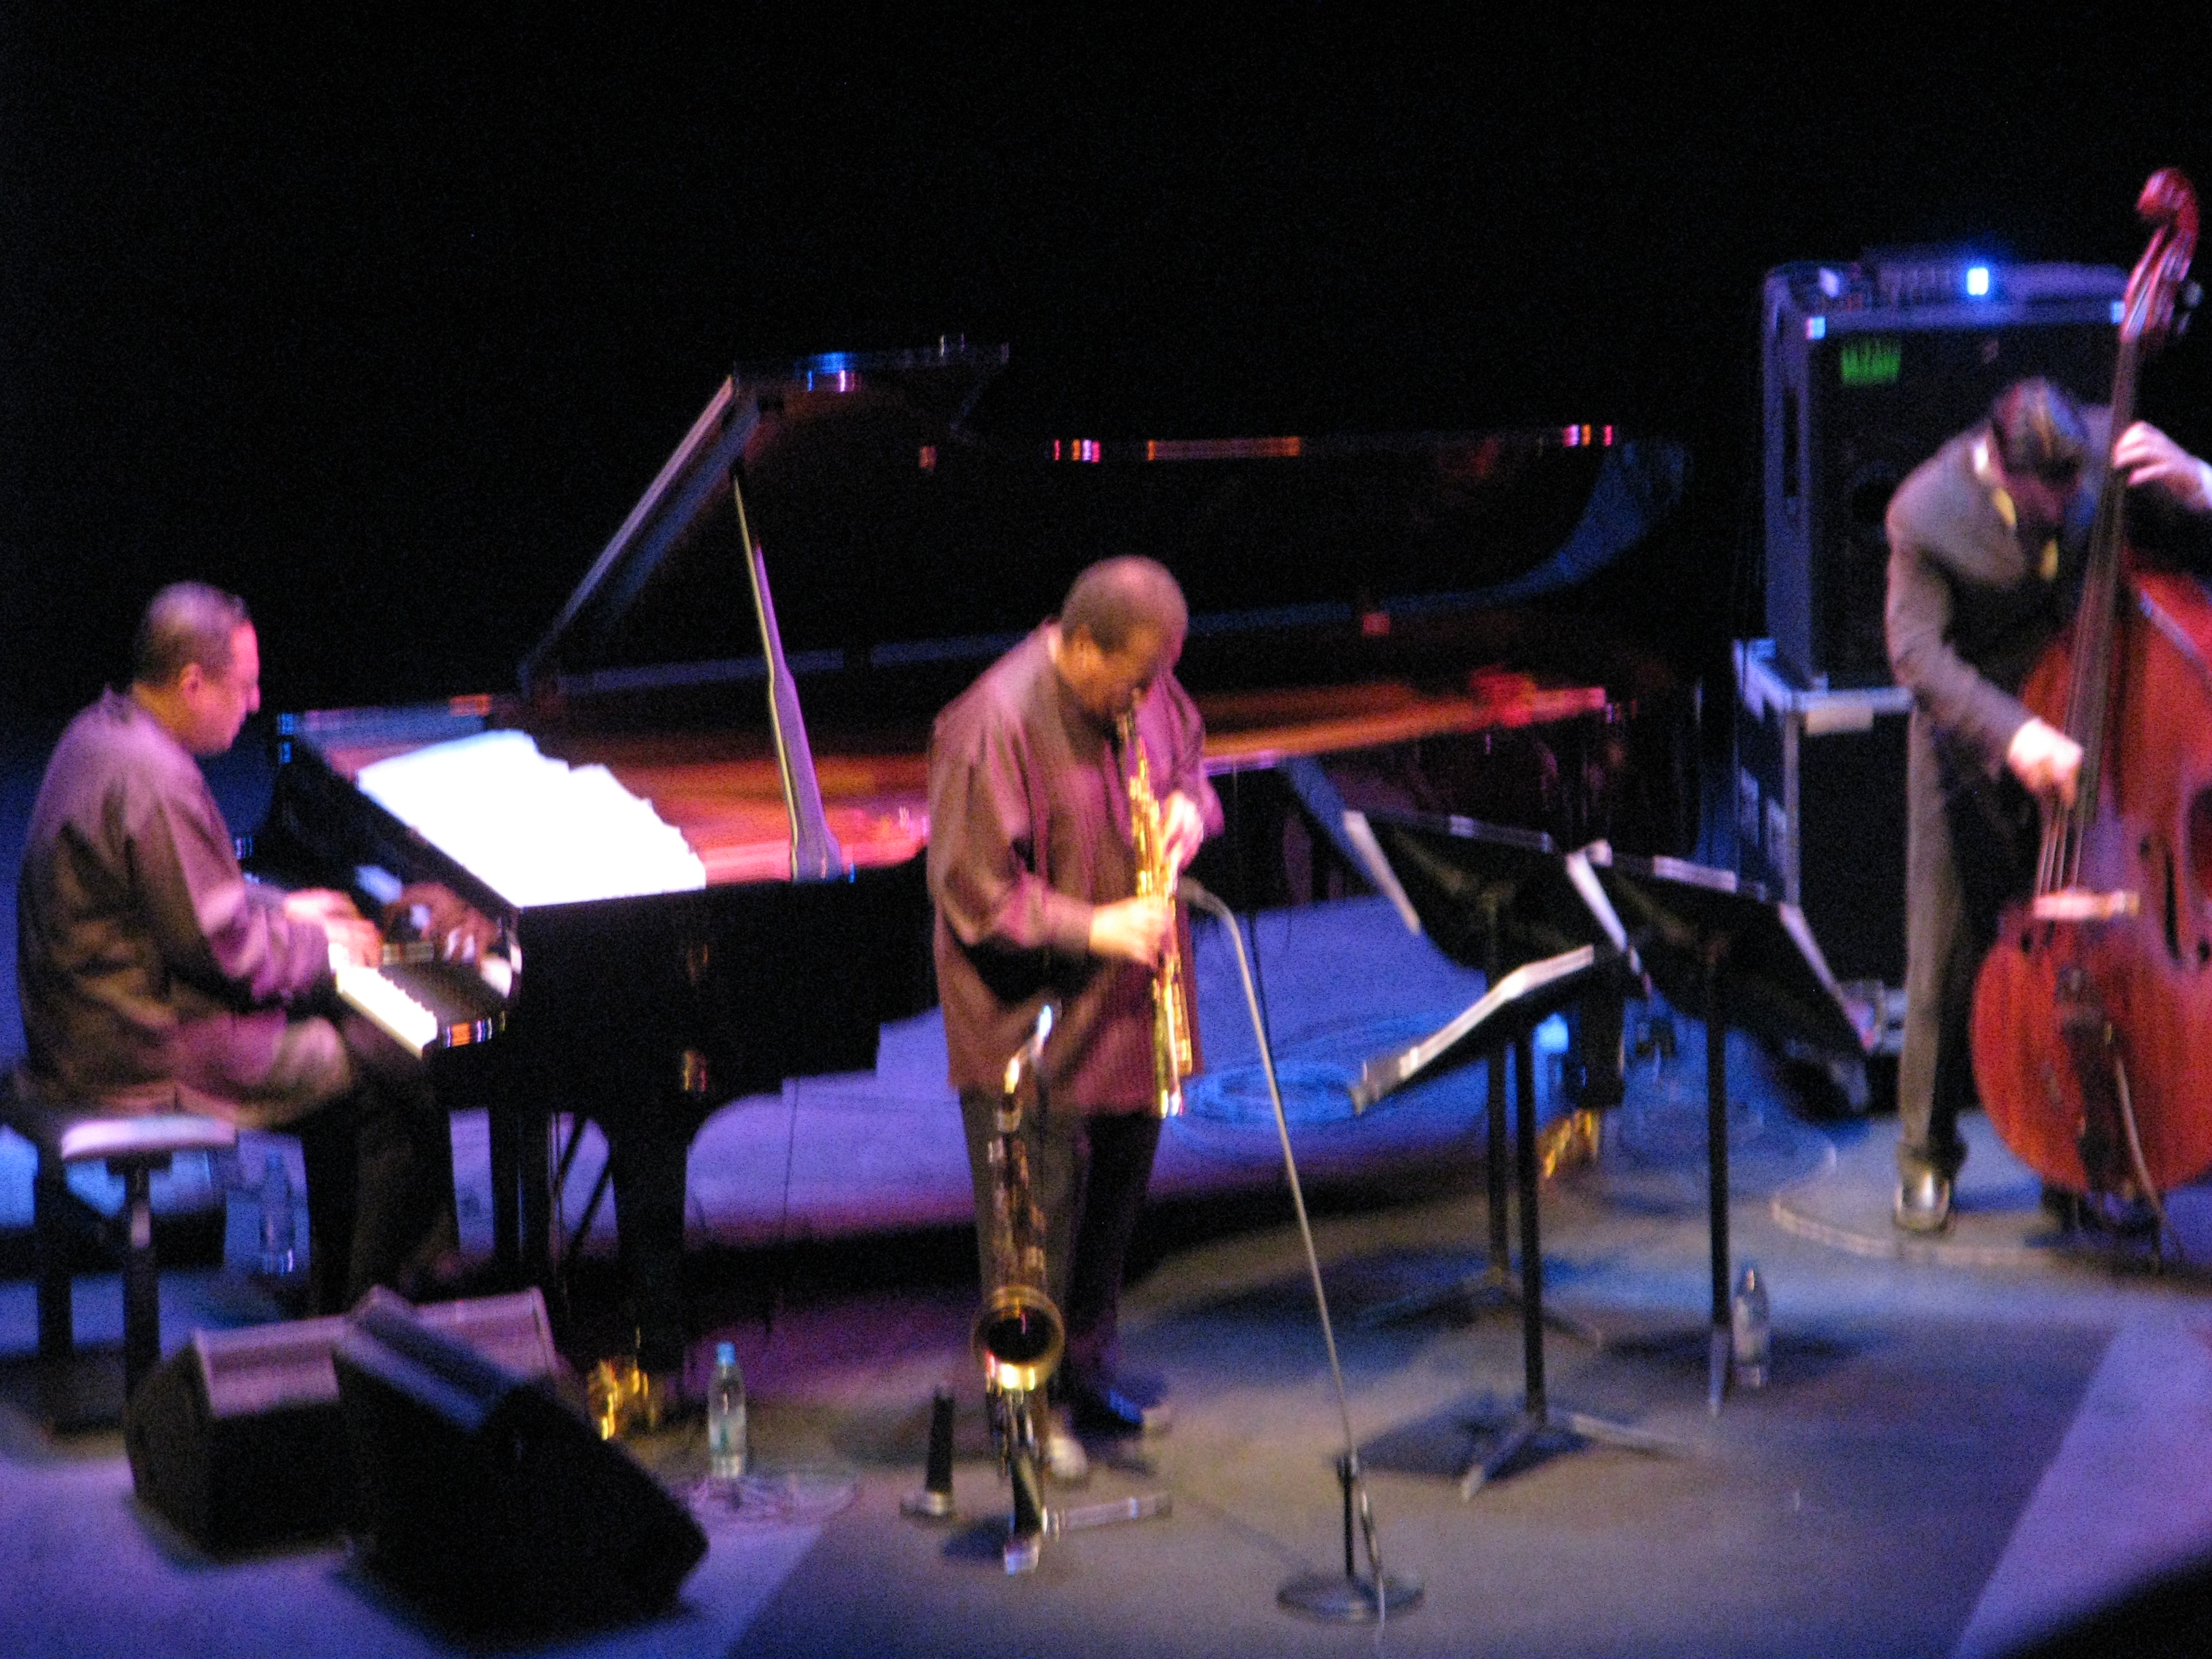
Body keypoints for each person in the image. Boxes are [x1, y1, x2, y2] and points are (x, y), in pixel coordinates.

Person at [15, 581, 460, 1310]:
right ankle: (365, 1318)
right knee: (378, 1067)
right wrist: (327, 951)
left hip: (86, 1025)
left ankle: (356, 1288)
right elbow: (226, 952)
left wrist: (286, 907)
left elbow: (174, 897)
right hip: (136, 1051)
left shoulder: (102, 732)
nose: (255, 704)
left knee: (366, 1037)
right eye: (245, 687)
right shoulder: (156, 778)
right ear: (193, 682)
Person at [1884, 378, 2212, 1231]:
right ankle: (1925, 1153)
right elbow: (1916, 656)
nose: (2067, 504)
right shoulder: (1926, 509)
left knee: (2089, 959)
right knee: (1947, 956)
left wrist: (2197, 479)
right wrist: (2014, 734)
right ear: (2001, 463)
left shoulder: (2106, 449)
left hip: (2089, 726)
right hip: (1975, 734)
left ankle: (2082, 1153)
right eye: (2050, 494)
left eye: (2076, 488)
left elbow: (2184, 530)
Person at [927, 556, 1223, 1480]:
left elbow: (1195, 768)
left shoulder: (1147, 694)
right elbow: (975, 893)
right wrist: (1094, 924)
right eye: (1134, 679)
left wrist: (1190, 811)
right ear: (1083, 644)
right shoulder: (992, 722)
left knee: (1111, 1214)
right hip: (1033, 1026)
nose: (1144, 702)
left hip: (1127, 1009)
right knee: (1034, 1226)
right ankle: (1024, 1411)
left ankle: (1086, 1373)